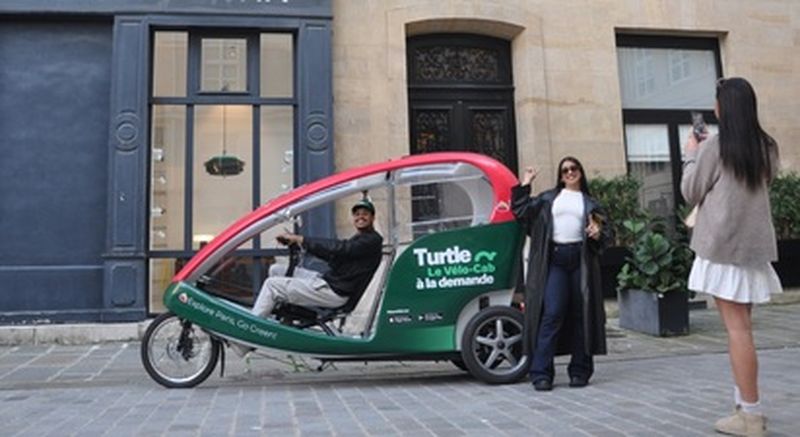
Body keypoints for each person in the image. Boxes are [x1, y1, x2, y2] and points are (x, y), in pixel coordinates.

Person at [681, 77, 781, 437]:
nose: (713, 107)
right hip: (753, 247)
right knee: (744, 329)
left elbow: (690, 191)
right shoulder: (766, 146)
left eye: (717, 101)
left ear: (726, 107)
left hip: (723, 245)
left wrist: (692, 153)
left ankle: (751, 415)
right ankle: (743, 405)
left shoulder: (716, 147)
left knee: (737, 331)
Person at [232, 198, 383, 357]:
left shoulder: (371, 240)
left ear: (372, 217)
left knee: (272, 285)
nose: (360, 217)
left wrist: (302, 239)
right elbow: (334, 255)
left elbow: (341, 248)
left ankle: (246, 341)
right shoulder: (360, 239)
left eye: (365, 214)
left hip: (334, 292)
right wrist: (302, 244)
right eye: (357, 214)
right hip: (329, 282)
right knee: (276, 270)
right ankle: (280, 318)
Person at [511, 157, 612, 391]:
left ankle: (579, 371)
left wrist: (598, 233)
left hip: (580, 259)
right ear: (560, 175)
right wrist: (525, 183)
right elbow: (521, 211)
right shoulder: (548, 199)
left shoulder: (590, 203)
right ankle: (541, 373)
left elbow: (606, 233)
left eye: (574, 169)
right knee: (552, 313)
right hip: (555, 260)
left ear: (581, 172)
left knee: (580, 315)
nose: (569, 173)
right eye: (565, 170)